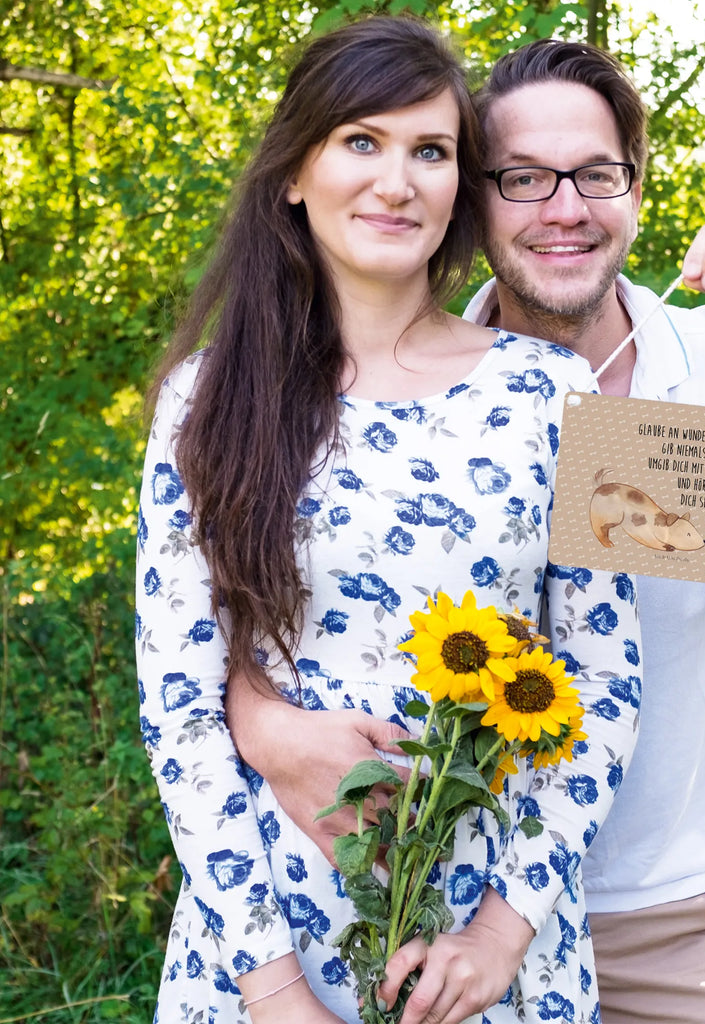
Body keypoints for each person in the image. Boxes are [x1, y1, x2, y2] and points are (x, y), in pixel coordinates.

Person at [226, 35, 705, 1024]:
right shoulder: (401, 380)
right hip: (455, 909)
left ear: (636, 185)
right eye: (525, 178)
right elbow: (270, 619)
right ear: (473, 196)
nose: (565, 208)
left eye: (594, 173)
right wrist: (260, 717)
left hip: (679, 921)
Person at [135, 19, 641, 1024]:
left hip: (486, 945)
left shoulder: (561, 390)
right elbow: (179, 708)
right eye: (361, 142)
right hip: (266, 936)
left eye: (432, 152)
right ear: (293, 172)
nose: (397, 181)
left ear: (460, 186)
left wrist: (499, 935)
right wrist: (276, 994)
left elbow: (607, 679)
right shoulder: (205, 399)